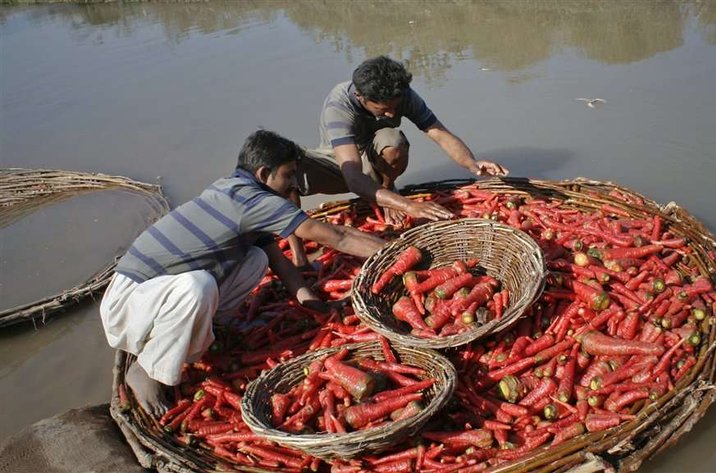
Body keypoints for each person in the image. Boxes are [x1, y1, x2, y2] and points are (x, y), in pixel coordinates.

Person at [99, 130, 385, 417]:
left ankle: (212, 329)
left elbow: (279, 263)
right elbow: (336, 236)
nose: (295, 183)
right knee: (196, 286)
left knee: (256, 258)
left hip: (154, 294)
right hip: (130, 302)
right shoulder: (254, 202)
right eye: (288, 174)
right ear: (263, 173)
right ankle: (147, 371)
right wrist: (394, 251)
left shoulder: (233, 188)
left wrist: (312, 305)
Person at [288, 56, 509, 267]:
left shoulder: (402, 94)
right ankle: (299, 257)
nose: (392, 113)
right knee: (285, 171)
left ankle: (385, 190)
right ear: (361, 98)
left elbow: (438, 132)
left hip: (375, 156)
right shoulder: (339, 106)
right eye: (383, 109)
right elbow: (353, 177)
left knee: (393, 142)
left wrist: (472, 164)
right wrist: (408, 205)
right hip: (340, 162)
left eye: (395, 106)